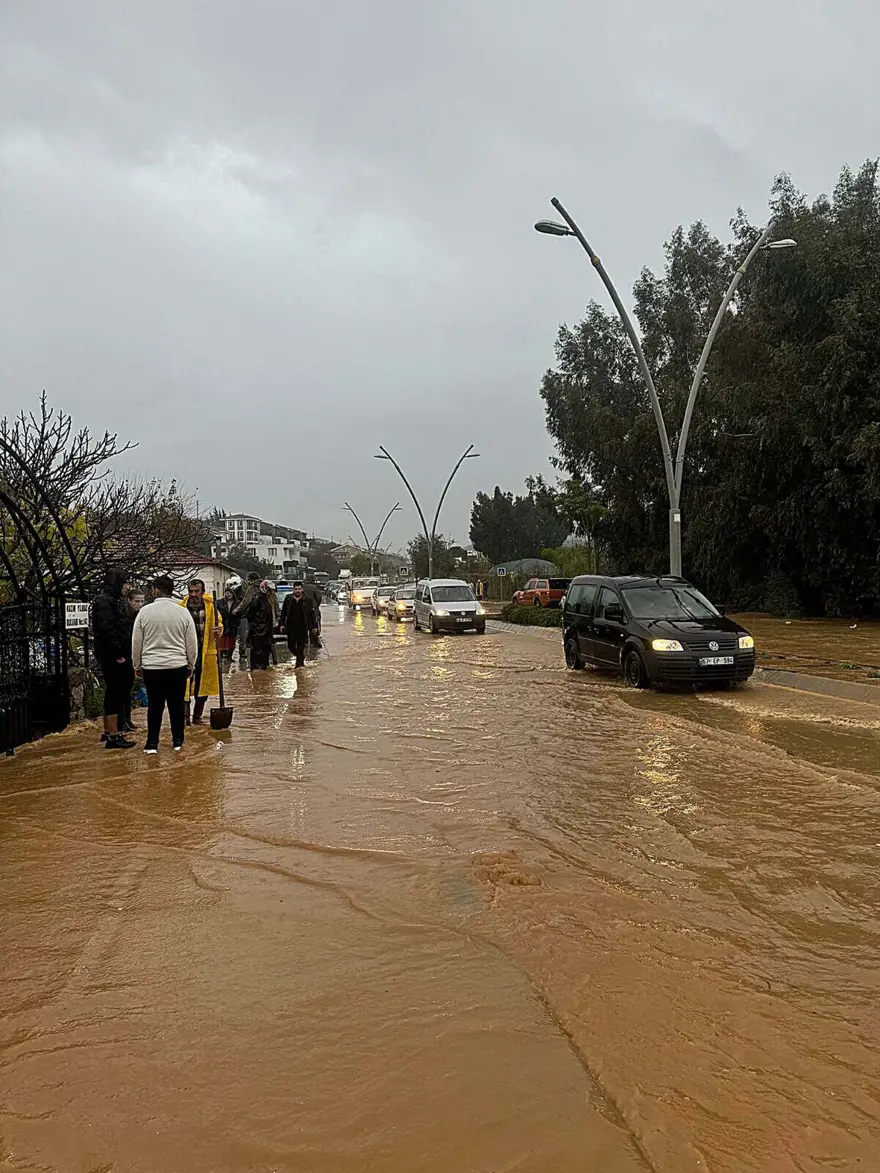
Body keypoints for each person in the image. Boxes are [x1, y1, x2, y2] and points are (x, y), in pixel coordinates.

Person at [132, 575, 198, 754]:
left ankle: (152, 744)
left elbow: (137, 642)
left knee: (155, 705)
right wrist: (191, 665)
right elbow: (191, 643)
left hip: (152, 667)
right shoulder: (183, 612)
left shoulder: (144, 612)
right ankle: (178, 742)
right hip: (177, 666)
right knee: (176, 705)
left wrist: (137, 665)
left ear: (155, 590)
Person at [92, 568, 136, 750]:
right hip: (113, 656)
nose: (128, 587)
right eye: (125, 583)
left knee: (114, 692)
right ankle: (113, 734)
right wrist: (118, 654)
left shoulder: (110, 601)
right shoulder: (105, 602)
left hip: (112, 654)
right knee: (115, 693)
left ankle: (110, 732)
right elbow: (108, 630)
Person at [179, 579, 223, 725]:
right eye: (191, 591)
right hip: (185, 653)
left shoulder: (211, 607)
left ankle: (197, 717)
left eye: (196, 591)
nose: (193, 594)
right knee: (184, 686)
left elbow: (219, 623)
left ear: (202, 592)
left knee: (202, 687)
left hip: (205, 653)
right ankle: (185, 719)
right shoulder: (181, 608)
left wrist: (219, 629)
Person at [118, 588, 145, 733]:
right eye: (136, 601)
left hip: (134, 656)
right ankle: (122, 721)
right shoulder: (122, 615)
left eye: (141, 601)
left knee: (128, 690)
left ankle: (127, 720)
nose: (139, 604)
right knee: (122, 690)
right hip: (123, 656)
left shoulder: (141, 615)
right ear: (129, 601)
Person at [280, 581, 318, 667]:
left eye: (299, 589)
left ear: (302, 590)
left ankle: (299, 667)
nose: (297, 591)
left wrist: (314, 627)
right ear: (293, 589)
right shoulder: (288, 599)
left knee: (301, 647)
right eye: (296, 589)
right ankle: (301, 658)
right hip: (291, 627)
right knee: (291, 646)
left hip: (303, 627)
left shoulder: (307, 600)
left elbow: (312, 615)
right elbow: (283, 612)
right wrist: (281, 624)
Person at [243, 579, 275, 670]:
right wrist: (256, 626)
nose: (271, 593)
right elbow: (250, 615)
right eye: (270, 591)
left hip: (266, 630)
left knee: (265, 652)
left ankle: (262, 671)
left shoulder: (266, 599)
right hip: (257, 631)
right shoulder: (256, 599)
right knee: (257, 652)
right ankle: (256, 671)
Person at [216, 586, 239, 661]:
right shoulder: (219, 602)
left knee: (232, 641)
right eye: (227, 593)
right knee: (222, 640)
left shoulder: (237, 603)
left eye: (230, 593)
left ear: (233, 594)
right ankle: (221, 656)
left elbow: (239, 613)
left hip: (233, 624)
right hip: (223, 623)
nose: (228, 595)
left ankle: (229, 656)